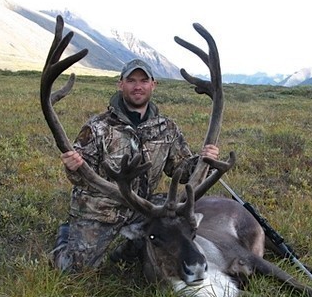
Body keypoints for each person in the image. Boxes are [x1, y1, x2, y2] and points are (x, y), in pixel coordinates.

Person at [49, 58, 220, 272]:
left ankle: (129, 248)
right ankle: (65, 235)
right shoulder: (97, 127)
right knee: (73, 270)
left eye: (143, 80)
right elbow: (80, 178)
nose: (137, 86)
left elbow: (183, 170)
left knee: (176, 215)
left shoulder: (167, 128)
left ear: (153, 85)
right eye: (131, 80)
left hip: (142, 206)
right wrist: (71, 167)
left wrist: (204, 161)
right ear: (120, 84)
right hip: (100, 210)